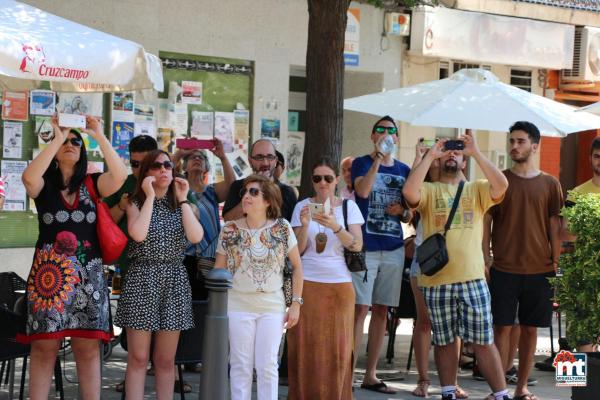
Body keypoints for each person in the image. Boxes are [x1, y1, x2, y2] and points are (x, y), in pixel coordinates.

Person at [19, 115, 127, 400]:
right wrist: (57, 137)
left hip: (88, 281)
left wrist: (99, 134)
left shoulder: (92, 184)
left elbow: (120, 176)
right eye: (65, 140)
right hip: (48, 282)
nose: (70, 144)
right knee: (43, 348)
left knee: (88, 348)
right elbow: (28, 177)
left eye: (75, 141)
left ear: (83, 150)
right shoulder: (44, 186)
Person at [403, 130, 511, 400]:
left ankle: (501, 395)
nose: (453, 153)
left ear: (464, 162)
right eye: (448, 150)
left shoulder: (476, 189)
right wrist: (430, 156)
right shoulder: (430, 190)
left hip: (472, 279)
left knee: (483, 342)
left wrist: (476, 152)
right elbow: (409, 192)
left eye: (458, 151)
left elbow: (502, 186)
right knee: (444, 341)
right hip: (436, 281)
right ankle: (448, 392)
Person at [115, 149, 204, 399]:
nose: (164, 169)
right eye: (156, 166)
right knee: (139, 357)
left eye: (168, 165)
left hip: (174, 279)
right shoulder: (136, 202)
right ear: (146, 173)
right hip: (143, 278)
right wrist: (151, 196)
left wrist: (184, 199)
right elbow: (139, 234)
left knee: (166, 360)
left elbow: (196, 237)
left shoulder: (183, 204)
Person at [483, 122, 562, 400]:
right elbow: (487, 220)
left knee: (530, 329)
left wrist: (556, 260)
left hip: (540, 269)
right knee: (501, 328)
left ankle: (522, 387)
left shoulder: (551, 184)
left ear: (535, 145)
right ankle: (499, 388)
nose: (514, 146)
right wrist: (485, 257)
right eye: (512, 141)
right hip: (503, 267)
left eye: (520, 141)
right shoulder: (500, 180)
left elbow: (555, 225)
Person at [214, 174, 303, 400]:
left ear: (268, 201)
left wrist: (296, 304)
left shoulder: (282, 228)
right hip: (237, 305)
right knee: (240, 366)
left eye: (254, 192)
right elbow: (218, 272)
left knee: (267, 366)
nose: (246, 196)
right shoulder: (230, 230)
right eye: (245, 192)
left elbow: (297, 267)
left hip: (272, 306)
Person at [287, 158, 364, 399]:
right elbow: (296, 252)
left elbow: (357, 245)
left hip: (339, 285)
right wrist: (304, 225)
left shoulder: (348, 207)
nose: (322, 183)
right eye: (317, 178)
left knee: (338, 348)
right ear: (312, 181)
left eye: (328, 178)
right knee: (304, 347)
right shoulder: (302, 206)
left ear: (337, 180)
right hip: (307, 283)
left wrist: (335, 227)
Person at [351, 116, 411, 394]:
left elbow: (413, 209)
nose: (386, 134)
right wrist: (378, 158)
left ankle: (371, 373)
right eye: (381, 130)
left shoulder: (404, 169)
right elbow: (362, 191)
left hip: (394, 248)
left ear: (397, 137)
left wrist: (405, 212)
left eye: (391, 131)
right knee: (360, 309)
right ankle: (349, 370)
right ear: (372, 135)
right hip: (366, 247)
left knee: (382, 310)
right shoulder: (362, 163)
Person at [409, 140, 468, 399]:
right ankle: (423, 380)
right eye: (443, 155)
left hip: (455, 263)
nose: (447, 157)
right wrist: (422, 157)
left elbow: (463, 183)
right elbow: (408, 193)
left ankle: (451, 382)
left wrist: (462, 152)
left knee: (452, 328)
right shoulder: (427, 188)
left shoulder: (461, 185)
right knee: (424, 323)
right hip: (426, 260)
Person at [103, 134, 158, 393]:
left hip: (162, 270)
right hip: (125, 267)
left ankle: (163, 374)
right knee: (130, 328)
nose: (138, 170)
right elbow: (102, 224)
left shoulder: (168, 183)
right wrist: (122, 207)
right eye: (134, 164)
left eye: (144, 164)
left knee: (163, 331)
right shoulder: (121, 183)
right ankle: (132, 376)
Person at [173, 138, 235, 301]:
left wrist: (222, 157)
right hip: (184, 256)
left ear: (207, 167)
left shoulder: (212, 190)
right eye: (192, 157)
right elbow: (164, 171)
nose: (197, 159)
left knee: (208, 305)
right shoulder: (178, 188)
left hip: (211, 257)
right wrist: (179, 153)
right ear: (184, 166)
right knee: (183, 302)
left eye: (202, 157)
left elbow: (232, 185)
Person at [562, 136, 600, 351]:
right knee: (582, 343)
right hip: (583, 276)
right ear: (590, 158)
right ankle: (578, 386)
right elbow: (565, 233)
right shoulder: (576, 194)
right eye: (597, 156)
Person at [223, 139, 297, 222]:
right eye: (259, 157)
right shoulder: (238, 186)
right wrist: (251, 191)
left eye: (270, 157)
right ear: (250, 161)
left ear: (275, 161)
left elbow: (293, 230)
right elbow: (228, 221)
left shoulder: (287, 192)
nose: (265, 163)